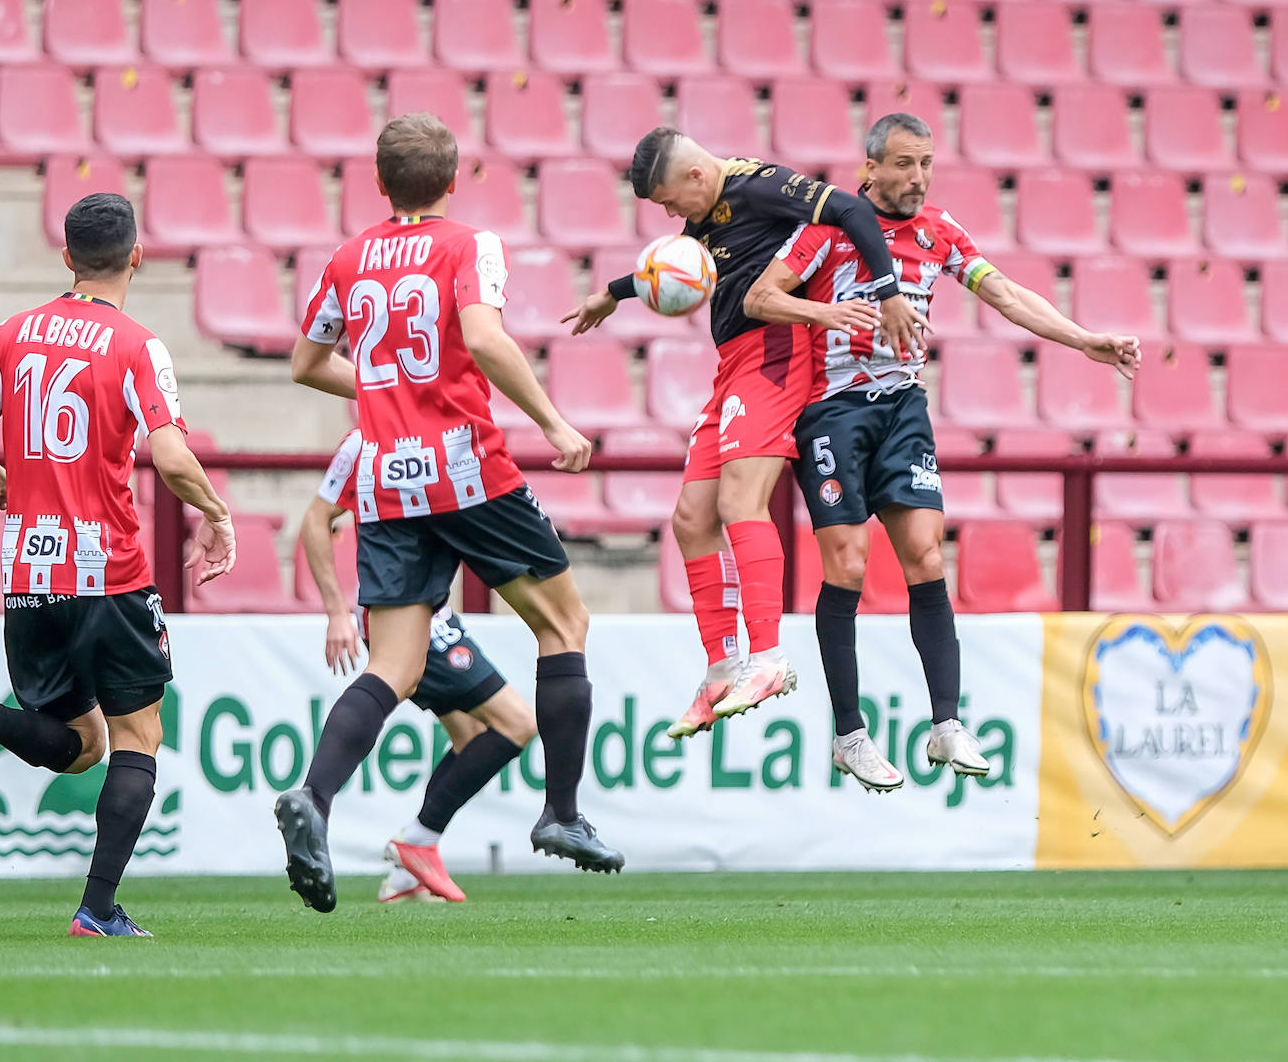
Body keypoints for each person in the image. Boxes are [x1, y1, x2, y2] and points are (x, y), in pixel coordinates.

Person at [277, 113, 623, 915]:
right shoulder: (470, 244)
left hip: (388, 476)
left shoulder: (346, 257)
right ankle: (563, 811)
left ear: (378, 181)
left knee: (393, 666)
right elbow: (485, 338)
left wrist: (382, 392)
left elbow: (305, 363)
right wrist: (553, 421)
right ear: (453, 179)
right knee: (563, 626)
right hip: (466, 467)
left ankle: (315, 798)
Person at [744, 113, 1142, 791]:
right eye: (903, 163)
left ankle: (946, 723)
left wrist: (1082, 339)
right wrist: (827, 315)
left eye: (925, 163)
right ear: (868, 169)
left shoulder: (940, 232)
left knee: (927, 554)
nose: (917, 176)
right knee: (847, 563)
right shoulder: (825, 231)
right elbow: (759, 297)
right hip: (832, 413)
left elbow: (1006, 294)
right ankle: (849, 734)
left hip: (903, 410)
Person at [0, 193, 236, 935]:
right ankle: (97, 908)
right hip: (108, 572)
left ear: (66, 257)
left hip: (29, 577)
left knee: (81, 746)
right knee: (136, 738)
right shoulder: (136, 345)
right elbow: (168, 453)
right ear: (137, 255)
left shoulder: (14, 334)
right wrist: (217, 514)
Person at [562, 128, 928, 749]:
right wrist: (615, 294)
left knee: (739, 502)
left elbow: (852, 209)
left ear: (696, 177)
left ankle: (767, 657)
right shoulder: (707, 215)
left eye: (670, 201)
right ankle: (723, 666)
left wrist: (889, 293)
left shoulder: (760, 185)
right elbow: (680, 262)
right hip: (734, 364)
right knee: (690, 518)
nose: (671, 215)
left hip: (775, 355)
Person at [303, 429, 538, 903]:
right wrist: (335, 611)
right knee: (517, 723)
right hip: (412, 617)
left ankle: (409, 871)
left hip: (428, 611)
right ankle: (415, 837)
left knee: (471, 737)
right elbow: (315, 521)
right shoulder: (393, 439)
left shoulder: (390, 437)